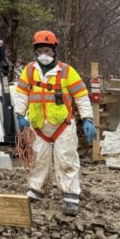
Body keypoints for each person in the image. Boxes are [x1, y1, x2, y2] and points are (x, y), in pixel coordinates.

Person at [14, 30, 97, 217]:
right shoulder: (29, 71)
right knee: (37, 159)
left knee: (66, 159)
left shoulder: (67, 71)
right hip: (38, 125)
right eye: (40, 50)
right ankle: (36, 189)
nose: (44, 54)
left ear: (54, 50)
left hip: (62, 125)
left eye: (47, 50)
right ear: (35, 52)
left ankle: (70, 196)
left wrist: (88, 119)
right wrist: (20, 115)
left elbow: (81, 96)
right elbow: (21, 94)